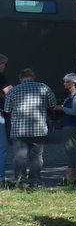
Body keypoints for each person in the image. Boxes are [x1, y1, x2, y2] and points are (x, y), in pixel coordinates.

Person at [3, 68, 56, 187]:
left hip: (18, 130)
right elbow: (53, 104)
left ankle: (21, 181)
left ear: (20, 78)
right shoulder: (44, 88)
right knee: (36, 157)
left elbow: (7, 109)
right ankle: (35, 181)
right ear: (34, 77)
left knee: (19, 157)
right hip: (39, 129)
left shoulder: (14, 91)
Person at [59, 72, 76, 185]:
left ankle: (71, 177)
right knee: (70, 150)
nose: (64, 84)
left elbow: (75, 112)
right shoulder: (74, 95)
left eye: (66, 82)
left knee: (71, 151)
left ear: (73, 83)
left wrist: (62, 108)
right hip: (69, 125)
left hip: (72, 125)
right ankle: (73, 176)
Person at [0, 54, 12, 185]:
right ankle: (0, 178)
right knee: (2, 147)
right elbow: (10, 92)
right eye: (5, 64)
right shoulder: (0, 76)